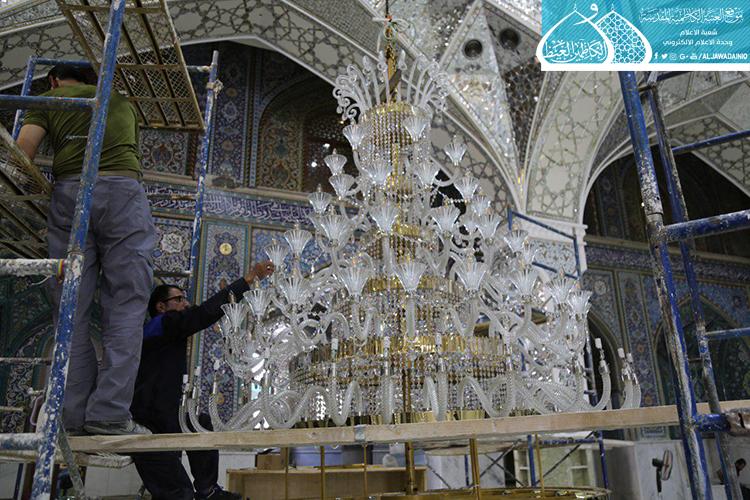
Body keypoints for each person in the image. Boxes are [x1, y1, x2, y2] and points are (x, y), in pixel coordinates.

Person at [16, 65, 156, 436]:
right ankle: (108, 414)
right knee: (126, 305)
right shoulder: (120, 101)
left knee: (70, 309)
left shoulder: (48, 99)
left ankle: (72, 418)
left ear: (53, 80)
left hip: (70, 194)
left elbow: (23, 152)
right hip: (123, 194)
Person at [130, 260, 275, 500]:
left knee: (201, 421)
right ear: (161, 306)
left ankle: (207, 491)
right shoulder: (160, 324)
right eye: (179, 299)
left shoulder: (166, 332)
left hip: (166, 413)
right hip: (150, 421)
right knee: (179, 494)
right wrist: (248, 279)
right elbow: (203, 313)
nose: (185, 303)